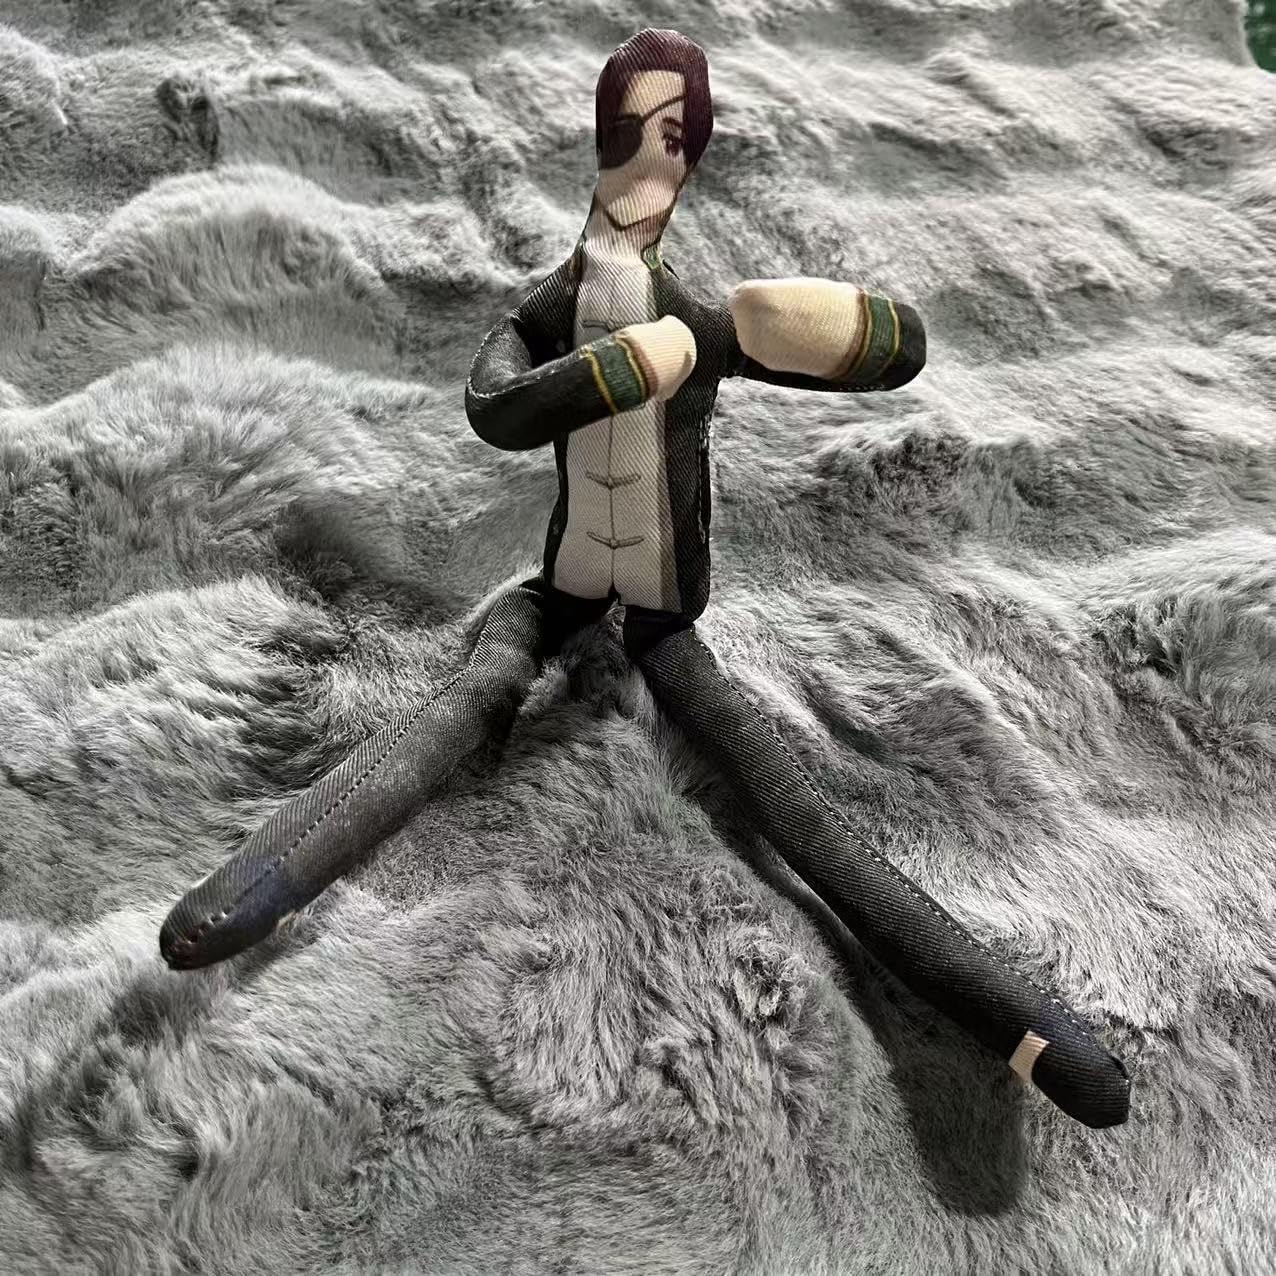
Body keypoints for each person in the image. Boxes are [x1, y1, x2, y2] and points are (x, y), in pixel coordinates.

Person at [161, 28, 1130, 1130]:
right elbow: (497, 409)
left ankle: (1028, 1031)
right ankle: (236, 903)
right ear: (599, 136)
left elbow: (888, 350)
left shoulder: (703, 324)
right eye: (625, 131)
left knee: (787, 801)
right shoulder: (556, 310)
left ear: (691, 151)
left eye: (667, 137)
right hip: (559, 588)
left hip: (666, 614)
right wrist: (620, 368)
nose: (642, 159)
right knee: (463, 703)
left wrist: (844, 330)